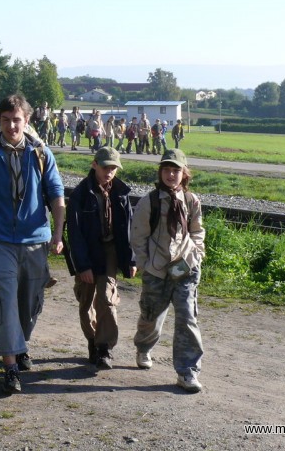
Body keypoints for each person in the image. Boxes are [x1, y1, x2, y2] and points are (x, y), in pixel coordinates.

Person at [0, 95, 66, 395]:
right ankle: (10, 366)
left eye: (16, 120)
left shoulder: (41, 154)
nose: (10, 125)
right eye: (5, 120)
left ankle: (20, 345)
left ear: (27, 121)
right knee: (5, 300)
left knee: (29, 305)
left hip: (35, 242)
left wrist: (58, 234)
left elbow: (56, 195)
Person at [131, 149, 206, 393]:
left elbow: (197, 231)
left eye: (176, 170)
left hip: (185, 269)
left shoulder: (192, 201)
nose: (171, 174)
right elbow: (138, 236)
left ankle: (187, 372)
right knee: (151, 317)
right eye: (166, 169)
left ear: (184, 173)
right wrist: (144, 264)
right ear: (160, 172)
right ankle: (143, 348)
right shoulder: (149, 202)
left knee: (187, 318)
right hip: (156, 270)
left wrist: (197, 253)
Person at [66, 147, 135, 368]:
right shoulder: (79, 195)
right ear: (94, 164)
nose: (109, 172)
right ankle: (92, 342)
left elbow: (129, 229)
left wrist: (131, 259)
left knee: (106, 297)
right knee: (86, 302)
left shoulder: (121, 193)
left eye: (114, 168)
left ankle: (104, 347)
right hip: (87, 251)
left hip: (110, 251)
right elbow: (75, 234)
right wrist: (83, 266)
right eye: (106, 167)